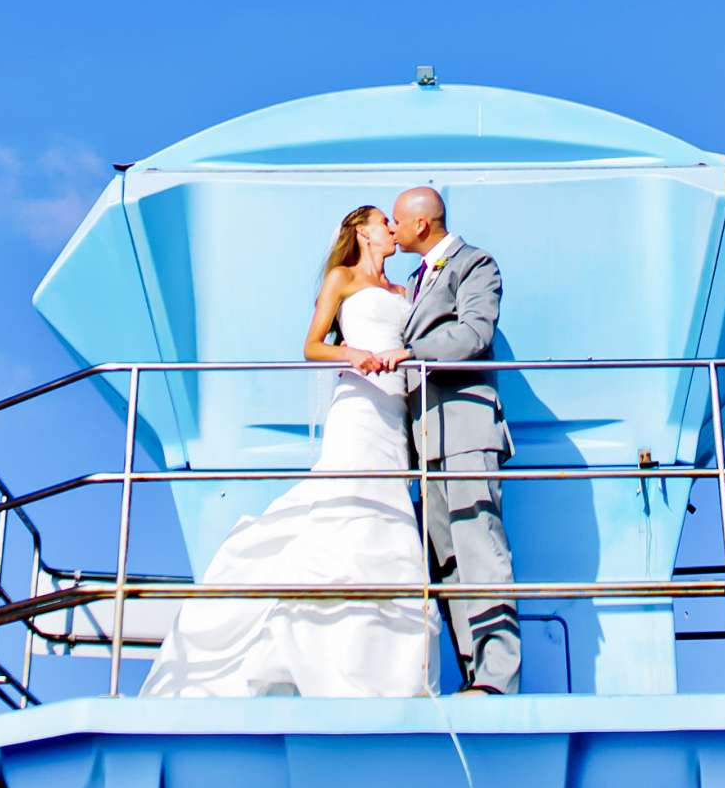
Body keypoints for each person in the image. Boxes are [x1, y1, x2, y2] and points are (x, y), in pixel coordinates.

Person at [140, 204, 436, 697]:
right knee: (346, 499)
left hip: (394, 413)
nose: (392, 228)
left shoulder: (405, 292)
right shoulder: (342, 279)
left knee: (387, 508)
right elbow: (313, 345)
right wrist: (356, 355)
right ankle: (302, 630)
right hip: (358, 401)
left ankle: (379, 654)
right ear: (363, 232)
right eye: (384, 221)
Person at [384, 186, 521, 695]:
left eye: (397, 221)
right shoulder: (412, 281)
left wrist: (408, 352)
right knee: (446, 562)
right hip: (426, 441)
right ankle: (473, 675)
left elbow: (474, 333)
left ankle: (498, 676)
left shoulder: (474, 264)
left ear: (422, 224)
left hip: (464, 429)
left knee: (480, 547)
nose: (392, 230)